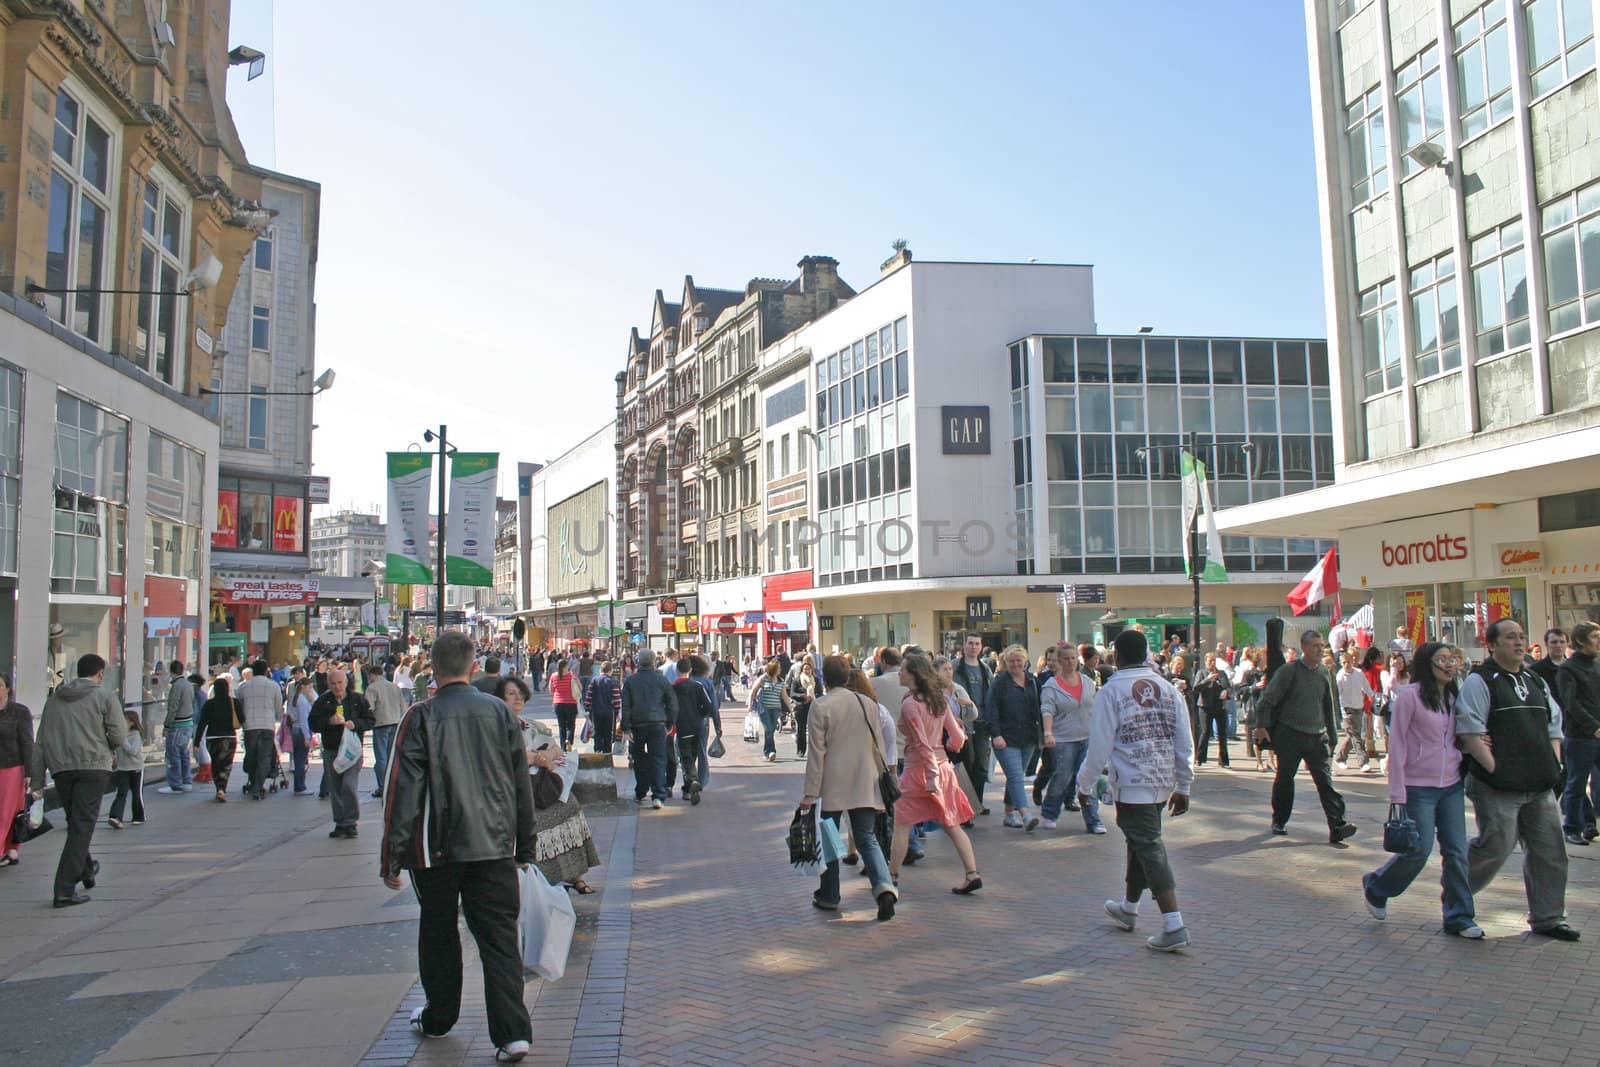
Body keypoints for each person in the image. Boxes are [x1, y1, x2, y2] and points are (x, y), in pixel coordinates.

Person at [381, 632, 535, 1063]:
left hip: (437, 849)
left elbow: (401, 791)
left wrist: (393, 854)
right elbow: (519, 783)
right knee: (500, 937)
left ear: (432, 668)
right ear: (472, 667)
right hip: (494, 843)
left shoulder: (420, 717)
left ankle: (440, 1015)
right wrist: (524, 844)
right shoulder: (500, 714)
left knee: (438, 932)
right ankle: (513, 1033)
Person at [1456, 619, 1577, 941]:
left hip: (1538, 785)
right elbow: (1469, 729)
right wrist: (1495, 767)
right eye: (1510, 637)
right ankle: (1456, 897)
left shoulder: (1534, 679)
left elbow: (1554, 725)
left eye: (1522, 636)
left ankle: (1549, 918)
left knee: (1550, 851)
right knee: (1496, 846)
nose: (1519, 642)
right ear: (1492, 645)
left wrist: (1552, 763)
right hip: (1498, 787)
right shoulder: (1481, 681)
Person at [1080, 629, 1195, 952]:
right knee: (1140, 843)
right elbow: (1184, 739)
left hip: (1132, 780)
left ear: (1116, 656)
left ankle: (1173, 922)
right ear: (1146, 654)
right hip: (1162, 778)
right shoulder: (1168, 689)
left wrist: (1085, 785)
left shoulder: (1111, 691)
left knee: (1148, 846)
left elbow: (1099, 746)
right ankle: (1129, 907)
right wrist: (1184, 783)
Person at [1361, 642, 1481, 938]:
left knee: (1456, 852)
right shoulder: (1408, 697)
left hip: (1451, 785)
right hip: (1418, 788)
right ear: (1427, 664)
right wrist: (1397, 793)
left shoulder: (1455, 696)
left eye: (1453, 659)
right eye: (1442, 659)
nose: (1450, 665)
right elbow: (1398, 744)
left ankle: (1460, 917)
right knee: (1418, 850)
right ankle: (1378, 886)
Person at [802, 655, 898, 920]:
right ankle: (884, 886)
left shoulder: (821, 706)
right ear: (847, 677)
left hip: (833, 782)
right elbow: (877, 744)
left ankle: (830, 894)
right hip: (866, 779)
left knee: (831, 838)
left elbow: (816, 753)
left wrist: (810, 792)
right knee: (867, 837)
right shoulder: (868, 703)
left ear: (825, 678)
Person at [31, 654, 125, 907]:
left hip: (62, 769)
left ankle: (85, 869)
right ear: (100, 673)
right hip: (93, 766)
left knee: (76, 823)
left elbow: (40, 744)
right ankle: (64, 889)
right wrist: (108, 747)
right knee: (82, 825)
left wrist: (37, 782)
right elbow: (118, 733)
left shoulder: (54, 700)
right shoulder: (104, 695)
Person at [1252, 629, 1358, 844]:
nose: (1319, 650)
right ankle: (1279, 820)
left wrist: (1332, 736)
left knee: (1325, 782)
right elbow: (1267, 700)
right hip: (1289, 734)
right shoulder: (1288, 671)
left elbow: (1328, 705)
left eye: (1321, 646)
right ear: (1304, 647)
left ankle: (1337, 825)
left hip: (1316, 737)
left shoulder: (1324, 672)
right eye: (1314, 646)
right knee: (1285, 778)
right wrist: (1262, 725)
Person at [888, 651, 980, 894]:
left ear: (913, 675)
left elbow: (921, 743)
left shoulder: (910, 704)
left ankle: (891, 877)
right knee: (951, 823)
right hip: (942, 768)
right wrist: (951, 747)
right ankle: (972, 873)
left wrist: (930, 776)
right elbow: (958, 735)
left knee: (902, 823)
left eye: (904, 670)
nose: (900, 673)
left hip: (919, 771)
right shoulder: (937, 698)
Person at [1040, 645, 1103, 833]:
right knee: (1063, 777)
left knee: (1088, 779)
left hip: (1087, 737)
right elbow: (1047, 710)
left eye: (1073, 658)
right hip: (1063, 739)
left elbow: (1096, 707)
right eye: (1066, 659)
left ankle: (1093, 820)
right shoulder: (1051, 686)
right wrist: (1048, 733)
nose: (1070, 662)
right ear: (1059, 661)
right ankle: (1050, 812)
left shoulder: (1087, 682)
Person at [982, 644, 1042, 831]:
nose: (1016, 664)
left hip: (1028, 738)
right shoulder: (1000, 682)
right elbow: (991, 710)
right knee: (1016, 776)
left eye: (1019, 660)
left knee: (1015, 776)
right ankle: (1026, 814)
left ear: (1025, 661)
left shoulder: (1032, 681)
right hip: (1006, 739)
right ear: (1005, 663)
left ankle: (1009, 813)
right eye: (1012, 661)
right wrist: (996, 734)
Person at [310, 670, 376, 838]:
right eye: (333, 684)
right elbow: (313, 722)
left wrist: (355, 724)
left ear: (346, 683)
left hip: (352, 751)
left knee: (349, 784)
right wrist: (329, 721)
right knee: (336, 787)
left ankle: (351, 821)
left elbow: (370, 720)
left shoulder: (357, 699)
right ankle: (341, 823)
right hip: (332, 749)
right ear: (328, 684)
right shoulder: (323, 701)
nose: (337, 687)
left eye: (340, 683)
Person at [1556, 620, 1600, 846]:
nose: (1598, 640)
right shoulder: (1568, 668)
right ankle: (1572, 827)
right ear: (1580, 641)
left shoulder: (1597, 664)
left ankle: (1590, 825)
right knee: (1576, 782)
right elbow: (1571, 703)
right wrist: (1594, 726)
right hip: (1580, 736)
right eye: (1594, 636)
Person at [619, 648, 673, 808]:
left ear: (638, 662)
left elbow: (626, 706)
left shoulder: (630, 681)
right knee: (658, 758)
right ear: (654, 662)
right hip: (657, 723)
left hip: (637, 724)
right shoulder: (662, 680)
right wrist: (669, 723)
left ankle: (641, 790)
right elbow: (672, 703)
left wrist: (626, 728)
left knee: (639, 757)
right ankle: (658, 795)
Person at [953, 634, 994, 812]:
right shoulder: (954, 668)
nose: (973, 647)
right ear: (964, 646)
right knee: (966, 764)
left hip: (982, 723)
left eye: (977, 643)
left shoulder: (985, 669)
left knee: (981, 766)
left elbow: (992, 695)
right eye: (970, 643)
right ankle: (966, 804)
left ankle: (977, 802)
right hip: (962, 723)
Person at [0, 674, 35, 868]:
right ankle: (11, 851)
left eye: (0, 686)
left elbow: (27, 742)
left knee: (8, 811)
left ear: (8, 689)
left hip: (12, 767)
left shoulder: (19, 711)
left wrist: (31, 772)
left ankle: (8, 848)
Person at [236, 659, 283, 800]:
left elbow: (239, 706)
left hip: (250, 726)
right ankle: (258, 787)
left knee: (251, 756)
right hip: (267, 725)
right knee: (264, 757)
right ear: (265, 670)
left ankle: (252, 782)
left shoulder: (243, 687)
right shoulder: (273, 686)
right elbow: (278, 707)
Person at [670, 659, 716, 805]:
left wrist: (671, 722)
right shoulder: (697, 686)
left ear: (677, 671)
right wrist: (700, 714)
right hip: (697, 726)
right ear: (690, 670)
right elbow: (709, 706)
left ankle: (691, 782)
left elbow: (670, 707)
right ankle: (690, 785)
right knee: (693, 755)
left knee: (685, 758)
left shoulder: (673, 687)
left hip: (682, 726)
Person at [196, 677, 241, 802]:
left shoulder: (209, 704)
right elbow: (242, 719)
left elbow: (202, 723)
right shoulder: (234, 702)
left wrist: (196, 741)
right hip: (229, 737)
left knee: (216, 763)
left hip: (213, 737)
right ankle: (222, 788)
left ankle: (218, 788)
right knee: (226, 764)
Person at [367, 667, 407, 799]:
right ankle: (393, 784)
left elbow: (369, 707)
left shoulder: (372, 688)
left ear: (371, 675)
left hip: (380, 724)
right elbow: (403, 706)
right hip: (395, 723)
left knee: (381, 757)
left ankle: (383, 786)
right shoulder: (394, 687)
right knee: (392, 756)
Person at [1333, 650, 1376, 773]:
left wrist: (1372, 697)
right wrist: (1342, 712)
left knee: (1352, 736)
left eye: (1348, 661)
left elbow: (1366, 687)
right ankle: (1363, 762)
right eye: (1344, 662)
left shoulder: (1359, 673)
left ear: (1352, 661)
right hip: (1347, 709)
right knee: (1356, 737)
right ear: (1341, 663)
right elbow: (1338, 695)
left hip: (1359, 707)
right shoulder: (1340, 676)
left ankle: (1340, 757)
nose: (1346, 664)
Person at [157, 661, 194, 795]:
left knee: (173, 754)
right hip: (188, 723)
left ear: (172, 672)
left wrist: (167, 725)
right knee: (184, 754)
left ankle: (175, 784)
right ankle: (186, 781)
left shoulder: (176, 686)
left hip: (177, 724)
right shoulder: (189, 685)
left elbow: (173, 707)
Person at [106, 709, 145, 829]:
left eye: (124, 721)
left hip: (136, 768)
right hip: (122, 768)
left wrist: (123, 740)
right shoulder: (118, 735)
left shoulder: (135, 735)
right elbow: (112, 747)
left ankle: (138, 816)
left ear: (132, 723)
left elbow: (133, 751)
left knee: (136, 793)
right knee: (121, 792)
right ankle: (115, 816)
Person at [1193, 654, 1232, 768]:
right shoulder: (1202, 673)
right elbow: (1196, 688)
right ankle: (1200, 758)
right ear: (1206, 662)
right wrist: (1207, 680)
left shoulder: (1222, 673)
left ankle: (1224, 760)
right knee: (1205, 732)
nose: (1212, 663)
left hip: (1219, 706)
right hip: (1205, 706)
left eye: (1214, 661)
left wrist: (1227, 692)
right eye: (1210, 661)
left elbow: (1228, 687)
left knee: (1222, 734)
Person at [585, 661, 622, 754]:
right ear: (610, 670)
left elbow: (589, 696)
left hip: (596, 711)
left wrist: (587, 708)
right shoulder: (613, 681)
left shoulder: (594, 680)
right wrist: (618, 712)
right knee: (608, 734)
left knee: (597, 732)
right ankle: (607, 754)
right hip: (609, 711)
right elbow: (616, 698)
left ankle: (598, 751)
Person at [754, 661, 785, 763]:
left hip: (776, 708)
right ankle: (771, 751)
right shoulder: (764, 678)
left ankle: (767, 751)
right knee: (769, 728)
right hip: (764, 708)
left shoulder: (781, 681)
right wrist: (750, 704)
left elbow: (784, 696)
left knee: (770, 730)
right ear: (773, 669)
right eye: (778, 668)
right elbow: (754, 690)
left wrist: (791, 708)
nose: (780, 669)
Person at [289, 678, 316, 795]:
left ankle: (298, 785)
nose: (311, 690)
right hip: (301, 731)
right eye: (309, 687)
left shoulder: (294, 699)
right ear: (304, 687)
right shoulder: (303, 701)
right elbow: (304, 720)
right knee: (301, 760)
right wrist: (307, 737)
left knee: (297, 759)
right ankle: (300, 786)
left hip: (294, 730)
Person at [788, 658, 818, 758]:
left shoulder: (815, 680)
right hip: (800, 707)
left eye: (808, 669)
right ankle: (801, 750)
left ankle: (814, 750)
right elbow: (792, 693)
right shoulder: (797, 681)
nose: (807, 671)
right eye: (805, 669)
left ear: (811, 670)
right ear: (802, 670)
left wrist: (814, 697)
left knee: (814, 730)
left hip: (813, 707)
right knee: (801, 730)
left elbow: (820, 692)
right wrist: (803, 696)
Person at [548, 660, 579, 751]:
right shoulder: (572, 676)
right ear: (565, 667)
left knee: (561, 726)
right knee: (571, 725)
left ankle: (563, 748)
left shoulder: (553, 676)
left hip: (558, 703)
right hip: (571, 703)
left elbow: (551, 690)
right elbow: (579, 688)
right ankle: (569, 740)